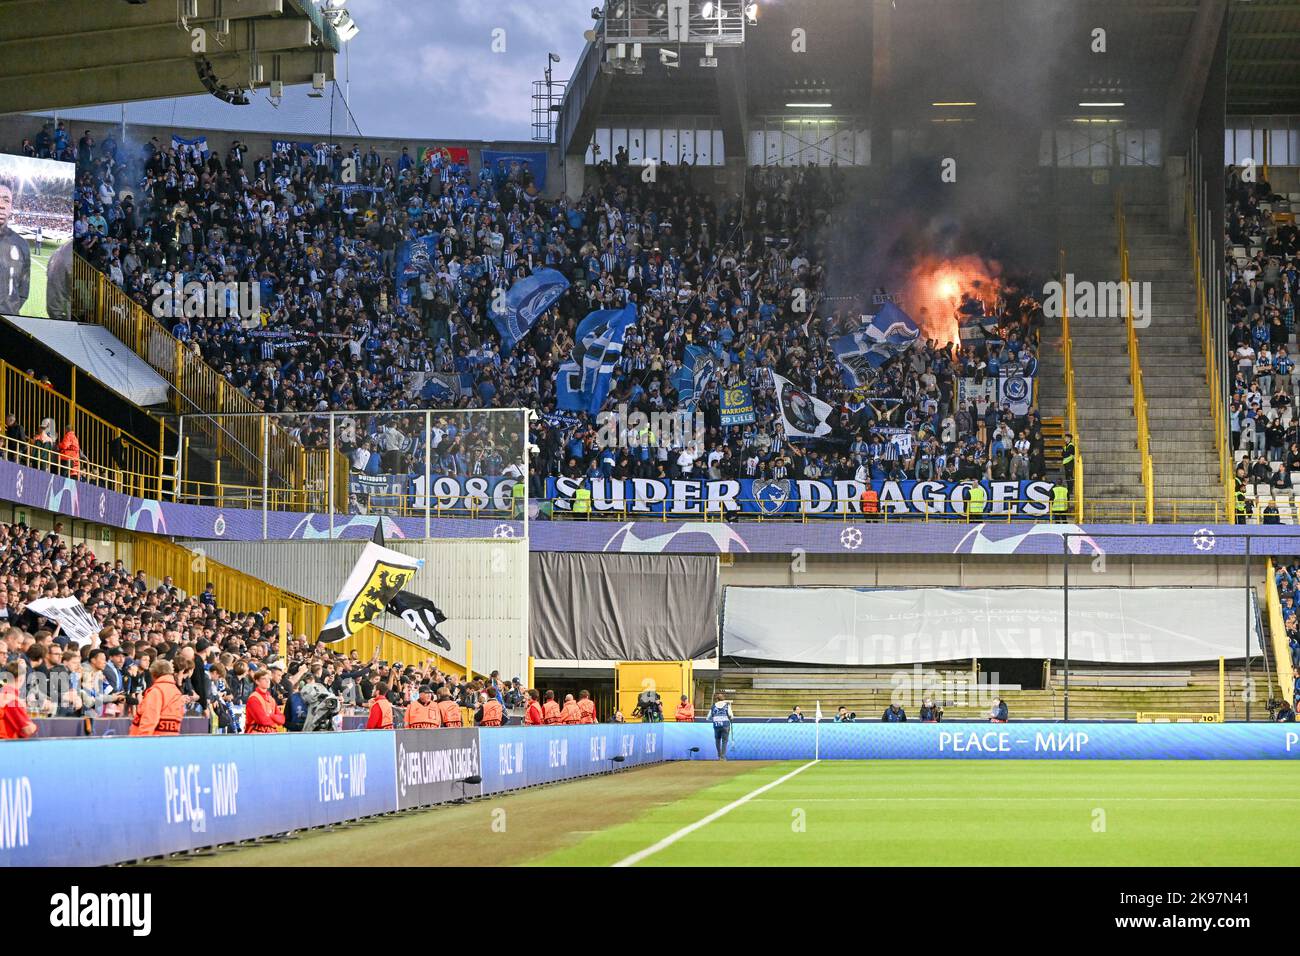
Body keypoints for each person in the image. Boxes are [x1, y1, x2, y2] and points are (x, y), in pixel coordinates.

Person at [129, 659, 184, 736]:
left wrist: (141, 741)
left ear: (153, 674)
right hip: (171, 737)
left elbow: (149, 719)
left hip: (154, 739)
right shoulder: (176, 692)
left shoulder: (156, 691)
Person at [0, 661, 36, 739]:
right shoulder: (12, 700)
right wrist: (34, 726)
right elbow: (28, 729)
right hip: (6, 745)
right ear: (20, 678)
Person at [245, 667, 285, 733]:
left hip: (271, 733)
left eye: (268, 679)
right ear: (257, 681)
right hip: (256, 734)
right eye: (264, 679)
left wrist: (270, 715)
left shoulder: (271, 699)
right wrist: (275, 719)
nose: (267, 681)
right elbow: (262, 721)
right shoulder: (254, 698)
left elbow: (282, 720)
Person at [708, 692, 734, 760]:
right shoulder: (727, 705)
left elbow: (708, 717)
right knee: (724, 741)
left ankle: (719, 756)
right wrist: (730, 718)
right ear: (723, 699)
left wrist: (714, 718)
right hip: (725, 725)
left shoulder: (713, 706)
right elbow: (731, 715)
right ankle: (723, 756)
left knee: (717, 740)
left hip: (716, 725)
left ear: (717, 699)